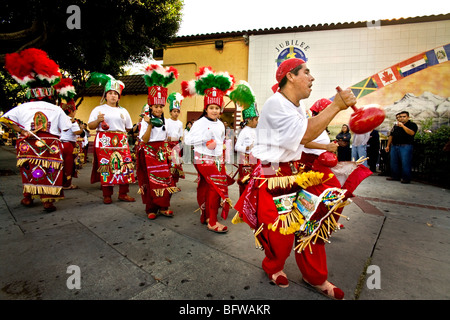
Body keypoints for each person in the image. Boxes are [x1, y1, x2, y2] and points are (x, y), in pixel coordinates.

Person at [234, 58, 358, 299]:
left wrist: (324, 146)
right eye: (307, 72)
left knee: (311, 224)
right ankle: (274, 266)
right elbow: (305, 132)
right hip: (271, 174)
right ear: (290, 76)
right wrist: (336, 106)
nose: (312, 78)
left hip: (294, 171)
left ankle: (316, 277)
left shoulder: (297, 107)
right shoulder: (274, 104)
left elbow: (301, 138)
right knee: (280, 232)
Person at [1, 48, 73, 212]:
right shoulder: (56, 109)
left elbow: (4, 119)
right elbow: (67, 128)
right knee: (50, 170)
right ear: (49, 93)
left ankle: (28, 196)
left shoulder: (23, 107)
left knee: (28, 169)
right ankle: (47, 200)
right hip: (50, 145)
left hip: (28, 144)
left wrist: (21, 131)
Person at [182, 66, 235, 233]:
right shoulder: (199, 123)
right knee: (216, 187)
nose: (214, 111)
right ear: (206, 108)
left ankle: (205, 215)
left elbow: (219, 142)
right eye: (211, 108)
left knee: (206, 186)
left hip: (216, 159)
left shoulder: (220, 124)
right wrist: (206, 140)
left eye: (217, 108)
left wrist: (221, 149)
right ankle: (212, 221)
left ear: (221, 109)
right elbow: (188, 140)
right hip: (203, 159)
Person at [136, 64, 180, 219]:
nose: (159, 109)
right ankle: (151, 209)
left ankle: (163, 206)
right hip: (148, 151)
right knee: (150, 180)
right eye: (156, 106)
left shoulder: (166, 121)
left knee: (165, 179)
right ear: (150, 106)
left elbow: (167, 137)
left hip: (162, 152)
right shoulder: (145, 121)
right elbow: (145, 139)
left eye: (161, 106)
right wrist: (148, 123)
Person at [87, 73, 136, 204]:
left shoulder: (124, 111)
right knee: (106, 167)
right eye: (110, 93)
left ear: (118, 96)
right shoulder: (98, 109)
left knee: (124, 166)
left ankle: (123, 193)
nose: (113, 95)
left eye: (115, 93)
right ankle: (107, 195)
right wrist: (98, 120)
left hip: (120, 140)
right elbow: (90, 126)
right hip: (104, 141)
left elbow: (129, 127)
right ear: (105, 95)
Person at [230, 81, 259, 196]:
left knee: (255, 184)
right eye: (256, 119)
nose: (257, 121)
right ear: (249, 120)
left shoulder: (256, 130)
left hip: (255, 160)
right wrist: (247, 147)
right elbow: (237, 147)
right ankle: (242, 209)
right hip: (245, 162)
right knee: (245, 184)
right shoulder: (244, 131)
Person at [54, 78, 83, 190]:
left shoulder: (59, 119)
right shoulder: (71, 120)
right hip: (68, 145)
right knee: (68, 165)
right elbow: (76, 132)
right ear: (71, 111)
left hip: (58, 144)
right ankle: (67, 184)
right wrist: (81, 130)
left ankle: (59, 182)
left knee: (60, 165)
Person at [385, 111, 418, 184]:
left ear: (408, 117)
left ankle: (406, 178)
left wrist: (403, 126)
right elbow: (391, 135)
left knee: (405, 162)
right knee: (394, 162)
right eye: (400, 117)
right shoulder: (396, 126)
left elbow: (412, 133)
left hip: (405, 146)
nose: (402, 118)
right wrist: (388, 145)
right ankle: (395, 176)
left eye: (404, 116)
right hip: (395, 145)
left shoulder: (412, 124)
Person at [166, 92, 185, 184]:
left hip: (176, 145)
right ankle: (169, 182)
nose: (176, 113)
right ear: (170, 112)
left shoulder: (180, 123)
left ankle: (174, 182)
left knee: (176, 164)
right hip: (168, 145)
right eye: (174, 111)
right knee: (169, 164)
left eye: (177, 111)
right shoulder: (167, 121)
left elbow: (180, 135)